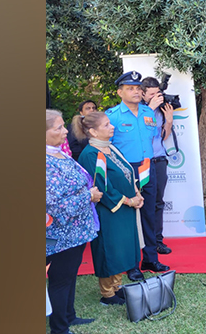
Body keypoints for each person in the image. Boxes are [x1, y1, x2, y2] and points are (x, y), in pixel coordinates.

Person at [105, 70, 170, 281]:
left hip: (147, 167)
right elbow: (108, 148)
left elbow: (152, 139)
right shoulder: (112, 116)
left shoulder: (148, 113)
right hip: (125, 170)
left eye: (137, 88)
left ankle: (150, 258)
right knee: (129, 218)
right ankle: (132, 264)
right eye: (130, 88)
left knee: (149, 214)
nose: (135, 91)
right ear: (119, 92)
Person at [74, 111, 144, 306]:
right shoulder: (90, 154)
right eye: (106, 125)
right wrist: (128, 201)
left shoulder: (111, 148)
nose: (112, 127)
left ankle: (117, 287)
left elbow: (128, 172)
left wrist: (137, 194)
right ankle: (107, 293)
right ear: (93, 132)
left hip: (126, 207)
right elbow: (101, 187)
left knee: (122, 249)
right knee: (109, 249)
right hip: (108, 210)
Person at [46, 109, 101, 333]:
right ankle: (59, 327)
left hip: (77, 230)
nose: (64, 131)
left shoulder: (59, 153)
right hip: (60, 233)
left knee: (70, 275)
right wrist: (89, 196)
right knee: (60, 279)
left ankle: (69, 315)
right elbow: (57, 205)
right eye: (58, 127)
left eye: (62, 126)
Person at [140, 77, 175, 256]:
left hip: (159, 159)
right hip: (143, 162)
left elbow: (162, 136)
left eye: (157, 93)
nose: (156, 97)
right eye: (152, 94)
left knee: (158, 203)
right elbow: (144, 132)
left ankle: (158, 241)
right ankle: (146, 243)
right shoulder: (140, 111)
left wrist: (168, 121)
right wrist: (151, 109)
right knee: (145, 203)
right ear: (143, 94)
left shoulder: (160, 111)